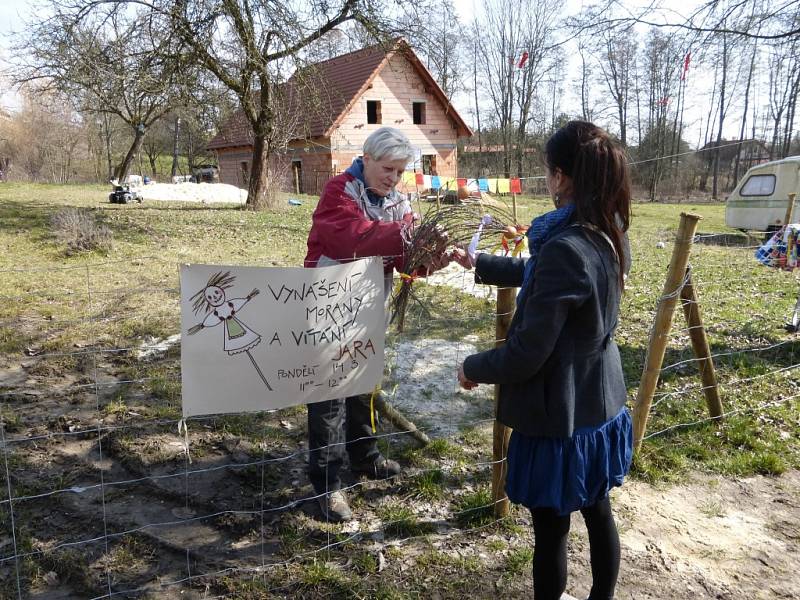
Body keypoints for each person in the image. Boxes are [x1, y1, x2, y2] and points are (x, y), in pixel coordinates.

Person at [455, 121, 633, 600]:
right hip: (601, 406)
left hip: (563, 418)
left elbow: (525, 355)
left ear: (559, 177)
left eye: (547, 173)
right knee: (598, 511)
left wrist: (473, 367)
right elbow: (547, 278)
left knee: (551, 534)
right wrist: (480, 265)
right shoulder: (607, 230)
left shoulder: (565, 246)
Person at [304, 126, 447, 522]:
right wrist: (406, 235)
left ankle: (365, 456)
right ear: (365, 159)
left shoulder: (397, 202)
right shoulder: (339, 192)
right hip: (330, 307)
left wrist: (432, 255)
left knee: (364, 385)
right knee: (329, 395)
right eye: (388, 168)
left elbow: (406, 262)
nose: (394, 178)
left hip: (370, 309)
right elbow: (351, 238)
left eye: (400, 171)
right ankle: (327, 484)